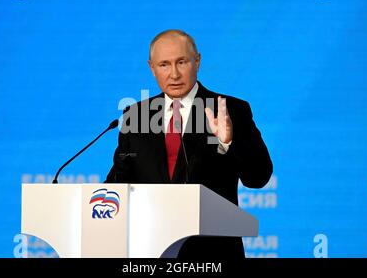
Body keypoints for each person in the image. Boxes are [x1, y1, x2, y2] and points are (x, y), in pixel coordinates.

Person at [105, 29, 273, 258]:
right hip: (151, 252)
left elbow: (258, 177)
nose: (174, 74)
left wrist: (229, 142)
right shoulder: (136, 116)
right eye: (164, 64)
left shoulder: (230, 110)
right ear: (151, 68)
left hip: (213, 254)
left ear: (197, 61)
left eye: (181, 62)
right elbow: (119, 182)